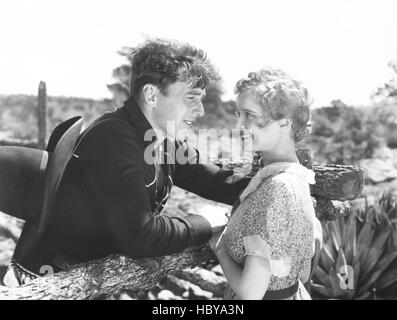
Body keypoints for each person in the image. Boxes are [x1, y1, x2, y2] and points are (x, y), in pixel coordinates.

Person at [4, 39, 250, 286]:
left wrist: (275, 181)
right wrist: (207, 222)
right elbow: (142, 236)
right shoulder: (113, 140)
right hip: (43, 279)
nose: (200, 110)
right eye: (191, 97)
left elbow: (214, 180)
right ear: (152, 95)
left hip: (86, 279)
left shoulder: (160, 138)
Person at [209, 67, 322, 300]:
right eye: (238, 114)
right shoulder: (296, 178)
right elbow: (302, 272)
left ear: (284, 124)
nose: (239, 125)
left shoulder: (277, 188)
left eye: (249, 115)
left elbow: (251, 293)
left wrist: (220, 249)